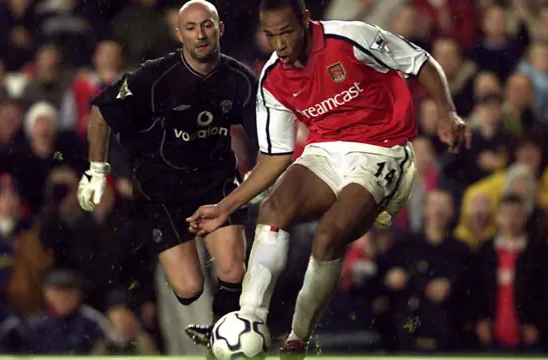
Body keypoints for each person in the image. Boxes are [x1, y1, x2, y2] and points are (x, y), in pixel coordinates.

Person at [186, 0, 470, 357]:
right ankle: (250, 318)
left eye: (286, 32)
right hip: (325, 150)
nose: (279, 44)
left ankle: (297, 338)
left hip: (381, 148)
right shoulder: (273, 79)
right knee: (273, 210)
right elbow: (275, 157)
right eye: (270, 35)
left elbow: (419, 61)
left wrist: (447, 112)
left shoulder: (350, 38)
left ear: (306, 21)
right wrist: (225, 207)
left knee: (327, 236)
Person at [76, 0, 257, 345]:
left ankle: (224, 337)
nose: (200, 35)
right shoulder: (153, 77)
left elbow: (265, 139)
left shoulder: (240, 80)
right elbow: (101, 112)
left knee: (233, 269)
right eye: (191, 28)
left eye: (207, 26)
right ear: (179, 34)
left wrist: (256, 182)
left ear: (220, 29)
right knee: (189, 289)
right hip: (162, 190)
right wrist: (96, 172)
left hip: (215, 181)